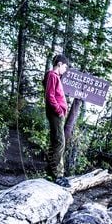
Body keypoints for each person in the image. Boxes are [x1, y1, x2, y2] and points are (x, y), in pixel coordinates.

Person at [44, 54, 70, 186]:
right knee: (60, 142)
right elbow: (50, 96)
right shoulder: (52, 76)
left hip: (57, 115)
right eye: (64, 67)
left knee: (56, 141)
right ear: (59, 64)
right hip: (56, 114)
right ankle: (58, 175)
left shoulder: (55, 77)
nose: (65, 70)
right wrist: (59, 111)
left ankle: (51, 171)